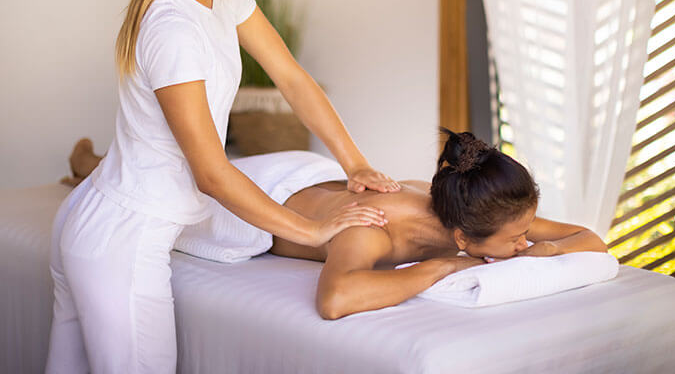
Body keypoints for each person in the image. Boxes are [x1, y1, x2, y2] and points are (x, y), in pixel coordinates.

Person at [46, 0, 399, 373]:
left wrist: (355, 163)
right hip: (122, 240)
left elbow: (292, 78)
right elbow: (212, 173)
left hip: (99, 216)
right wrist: (311, 230)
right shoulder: (173, 32)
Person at [68, 128, 609, 321]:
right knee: (149, 182)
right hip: (247, 208)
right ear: (463, 238)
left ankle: (97, 163)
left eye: (526, 230)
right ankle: (88, 165)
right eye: (517, 237)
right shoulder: (369, 229)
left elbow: (590, 241)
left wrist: (541, 251)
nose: (526, 241)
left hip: (311, 175)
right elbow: (336, 300)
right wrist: (442, 268)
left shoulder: (466, 203)